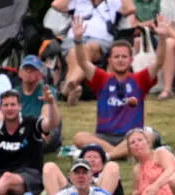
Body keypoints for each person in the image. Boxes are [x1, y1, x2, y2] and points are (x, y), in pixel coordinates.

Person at [70, 14, 168, 159]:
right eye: (116, 57)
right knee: (79, 137)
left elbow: (159, 62)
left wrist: (162, 38)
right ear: (110, 60)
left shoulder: (140, 79)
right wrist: (78, 41)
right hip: (103, 137)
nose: (120, 60)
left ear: (131, 60)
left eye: (124, 57)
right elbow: (83, 62)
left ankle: (107, 156)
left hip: (131, 136)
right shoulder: (102, 78)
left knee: (148, 135)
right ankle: (120, 153)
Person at [0, 87, 60, 195]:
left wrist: (51, 103)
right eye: (6, 105)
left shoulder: (31, 123)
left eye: (13, 104)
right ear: (1, 108)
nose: (9, 108)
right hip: (2, 177)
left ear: (20, 106)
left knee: (7, 179)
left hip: (30, 177)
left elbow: (52, 123)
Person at [55, 0, 135, 105]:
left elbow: (130, 9)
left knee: (86, 49)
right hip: (73, 38)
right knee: (74, 52)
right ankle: (71, 89)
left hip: (100, 41)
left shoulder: (112, 2)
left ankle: (68, 87)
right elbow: (56, 5)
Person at [117, 128, 175, 195]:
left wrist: (156, 185)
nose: (137, 144)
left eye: (140, 140)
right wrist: (136, 194)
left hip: (172, 191)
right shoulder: (137, 169)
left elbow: (171, 170)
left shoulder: (160, 153)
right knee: (149, 192)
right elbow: (137, 192)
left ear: (148, 143)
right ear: (130, 150)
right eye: (132, 142)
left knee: (152, 191)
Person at [42, 143, 124, 195]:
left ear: (102, 163)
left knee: (113, 165)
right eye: (88, 157)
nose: (92, 160)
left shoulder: (108, 175)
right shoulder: (74, 175)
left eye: (96, 157)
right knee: (49, 166)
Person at [15, 55, 62, 150]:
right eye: (26, 68)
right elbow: (2, 116)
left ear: (41, 74)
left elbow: (45, 117)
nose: (29, 72)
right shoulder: (14, 93)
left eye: (33, 69)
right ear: (19, 73)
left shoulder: (47, 91)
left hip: (42, 129)